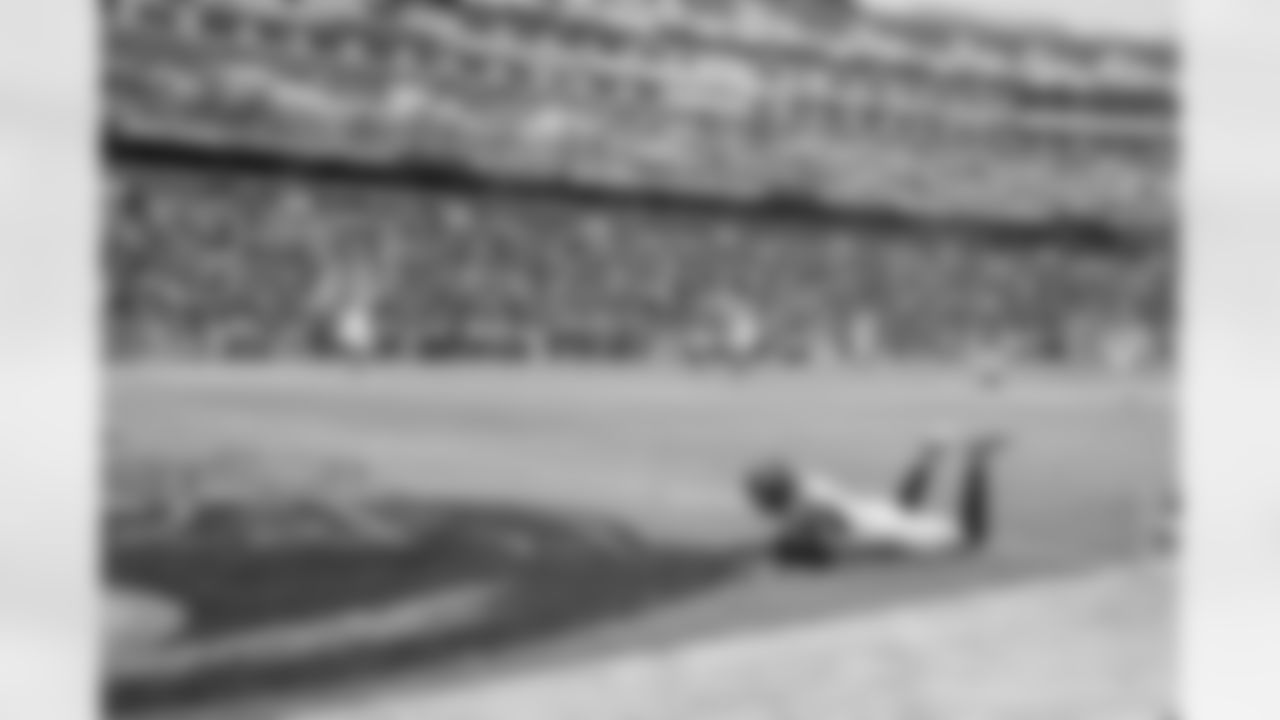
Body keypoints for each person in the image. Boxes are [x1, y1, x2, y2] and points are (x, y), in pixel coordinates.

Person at [743, 432, 1004, 566]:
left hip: (876, 530)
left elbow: (835, 539)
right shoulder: (809, 488)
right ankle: (929, 455)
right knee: (903, 507)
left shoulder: (801, 514)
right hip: (869, 514)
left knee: (971, 539)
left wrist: (787, 543)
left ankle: (976, 460)